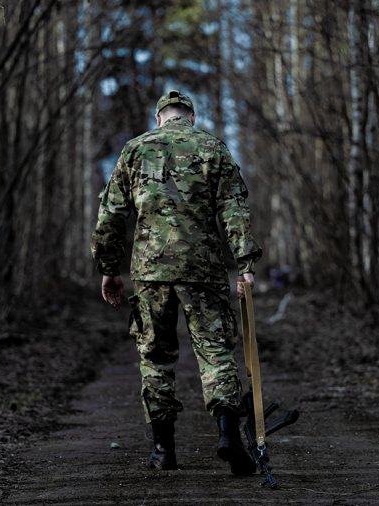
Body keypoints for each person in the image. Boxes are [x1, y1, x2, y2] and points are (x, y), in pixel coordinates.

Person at [90, 90, 262, 475]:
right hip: (203, 270)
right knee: (216, 353)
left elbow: (112, 213)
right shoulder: (213, 148)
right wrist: (245, 263)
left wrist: (108, 267)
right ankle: (226, 435)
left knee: (155, 358)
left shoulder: (135, 150)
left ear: (159, 119)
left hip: (151, 272)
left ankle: (163, 451)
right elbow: (234, 207)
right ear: (192, 117)